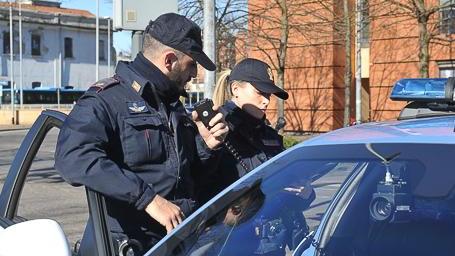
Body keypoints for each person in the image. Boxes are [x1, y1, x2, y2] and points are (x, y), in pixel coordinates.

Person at [54, 13, 228, 255]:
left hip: (178, 243)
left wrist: (206, 147)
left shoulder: (174, 107)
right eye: (191, 64)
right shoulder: (106, 100)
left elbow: (188, 181)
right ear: (169, 61)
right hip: (125, 246)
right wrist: (148, 199)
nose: (195, 74)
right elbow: (72, 157)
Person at [197, 58, 289, 204]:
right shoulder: (216, 130)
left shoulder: (268, 134)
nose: (266, 101)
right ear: (235, 89)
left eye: (269, 95)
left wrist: (303, 193)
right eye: (261, 92)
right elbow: (199, 186)